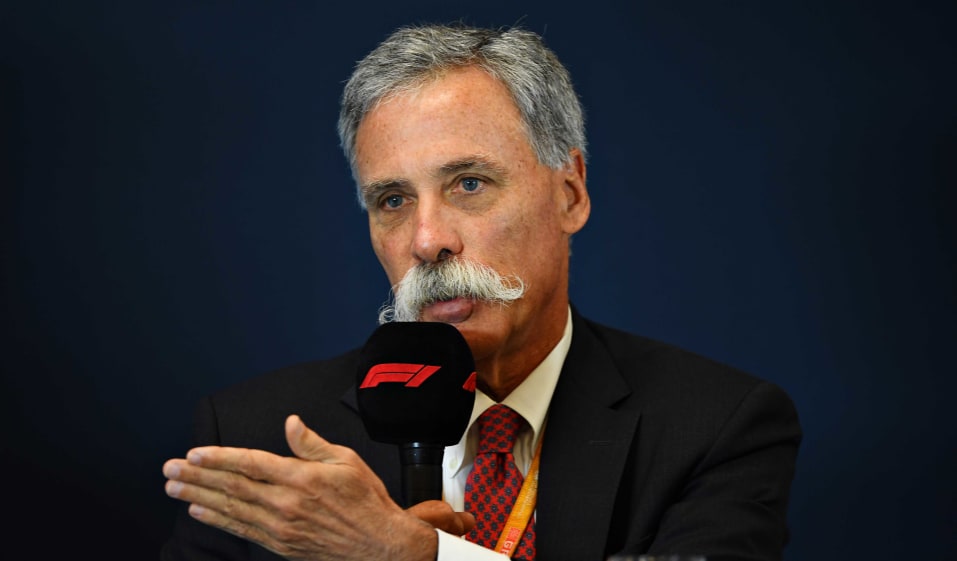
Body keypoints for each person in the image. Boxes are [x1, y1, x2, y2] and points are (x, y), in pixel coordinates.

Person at [161, 23, 801, 561]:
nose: (427, 240)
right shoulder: (255, 442)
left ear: (570, 194)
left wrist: (420, 555)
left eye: (468, 184)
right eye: (393, 200)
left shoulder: (717, 426)